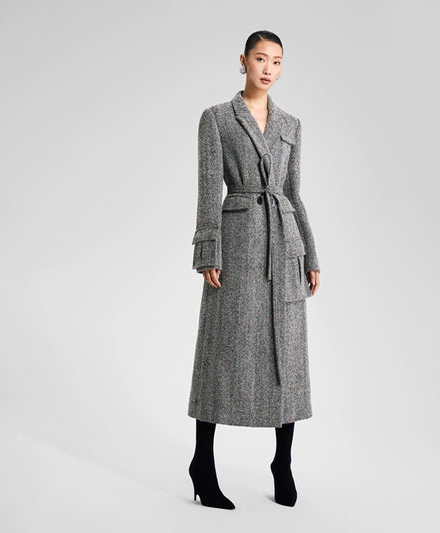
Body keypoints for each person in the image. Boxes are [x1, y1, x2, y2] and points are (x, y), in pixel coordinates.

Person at [187, 30, 321, 510]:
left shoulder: (290, 124)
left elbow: (294, 192)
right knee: (222, 351)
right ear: (243, 61)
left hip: (284, 247)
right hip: (238, 245)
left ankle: (282, 462)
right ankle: (202, 463)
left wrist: (311, 254)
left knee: (289, 355)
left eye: (277, 61)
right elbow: (209, 189)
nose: (268, 68)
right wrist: (209, 251)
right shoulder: (217, 118)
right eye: (261, 59)